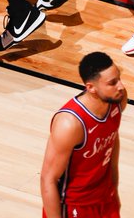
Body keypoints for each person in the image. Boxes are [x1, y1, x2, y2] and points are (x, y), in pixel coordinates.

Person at [40, 51, 126, 218]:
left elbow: (112, 137)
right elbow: (47, 179)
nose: (121, 86)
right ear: (91, 87)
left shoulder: (117, 100)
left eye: (119, 78)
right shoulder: (70, 124)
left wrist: (113, 190)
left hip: (105, 198)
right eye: (112, 83)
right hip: (75, 206)